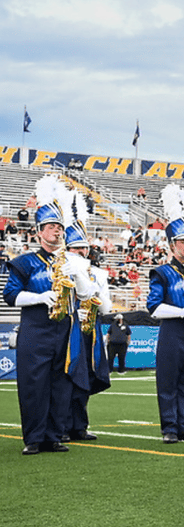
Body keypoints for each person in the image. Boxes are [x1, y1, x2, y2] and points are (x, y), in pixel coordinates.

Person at [3, 176, 75, 455]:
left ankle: (54, 436)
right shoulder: (24, 262)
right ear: (38, 232)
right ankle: (33, 438)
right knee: (34, 384)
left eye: (59, 227)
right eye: (51, 227)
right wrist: (39, 298)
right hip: (35, 328)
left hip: (63, 328)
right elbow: (10, 295)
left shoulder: (69, 262)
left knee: (60, 384)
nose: (56, 231)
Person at [147, 184, 184, 444]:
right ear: (172, 244)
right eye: (183, 242)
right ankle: (169, 426)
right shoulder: (162, 272)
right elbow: (154, 308)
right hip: (172, 332)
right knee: (168, 381)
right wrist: (181, 311)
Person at [62, 202, 111, 443]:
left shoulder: (98, 273)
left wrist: (95, 286)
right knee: (67, 377)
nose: (81, 252)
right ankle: (61, 425)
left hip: (91, 329)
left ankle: (79, 426)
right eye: (75, 248)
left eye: (84, 248)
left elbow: (106, 308)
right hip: (68, 328)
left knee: (87, 377)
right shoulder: (61, 269)